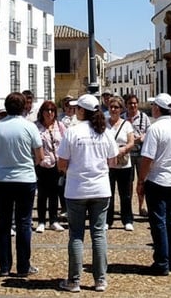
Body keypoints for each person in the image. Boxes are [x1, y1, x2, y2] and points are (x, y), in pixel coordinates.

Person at [57, 94, 118, 293]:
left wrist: (73, 170)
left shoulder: (72, 132)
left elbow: (62, 163)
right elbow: (113, 161)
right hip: (100, 188)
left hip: (76, 189)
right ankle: (100, 279)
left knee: (76, 234)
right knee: (98, 234)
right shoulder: (105, 132)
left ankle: (74, 280)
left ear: (82, 111)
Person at [0, 92, 44, 278]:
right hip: (25, 179)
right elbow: (40, 156)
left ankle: (4, 266)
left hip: (2, 179)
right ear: (23, 107)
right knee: (24, 222)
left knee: (4, 222)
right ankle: (23, 266)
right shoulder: (29, 127)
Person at [137, 93, 171, 276]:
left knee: (158, 222)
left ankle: (161, 262)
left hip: (157, 179)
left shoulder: (155, 129)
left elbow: (147, 158)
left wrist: (141, 180)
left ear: (157, 108)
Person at [34, 100, 66, 233]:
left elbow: (65, 143)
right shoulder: (36, 127)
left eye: (52, 110)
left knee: (54, 193)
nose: (50, 113)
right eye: (47, 110)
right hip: (41, 164)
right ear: (42, 112)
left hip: (56, 165)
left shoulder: (60, 126)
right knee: (42, 194)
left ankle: (53, 220)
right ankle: (41, 221)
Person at [105, 95, 135, 231]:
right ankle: (108, 220)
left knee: (125, 194)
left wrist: (122, 150)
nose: (113, 109)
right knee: (108, 193)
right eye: (111, 107)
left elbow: (131, 142)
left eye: (116, 107)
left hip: (124, 164)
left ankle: (127, 219)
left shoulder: (127, 124)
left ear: (121, 109)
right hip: (108, 164)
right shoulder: (104, 124)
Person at [124, 94, 150, 217]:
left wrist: (142, 137)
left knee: (142, 181)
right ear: (126, 105)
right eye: (130, 103)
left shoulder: (144, 117)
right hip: (127, 155)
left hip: (141, 154)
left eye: (135, 103)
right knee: (128, 183)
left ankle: (141, 206)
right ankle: (127, 208)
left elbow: (149, 132)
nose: (133, 105)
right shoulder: (122, 118)